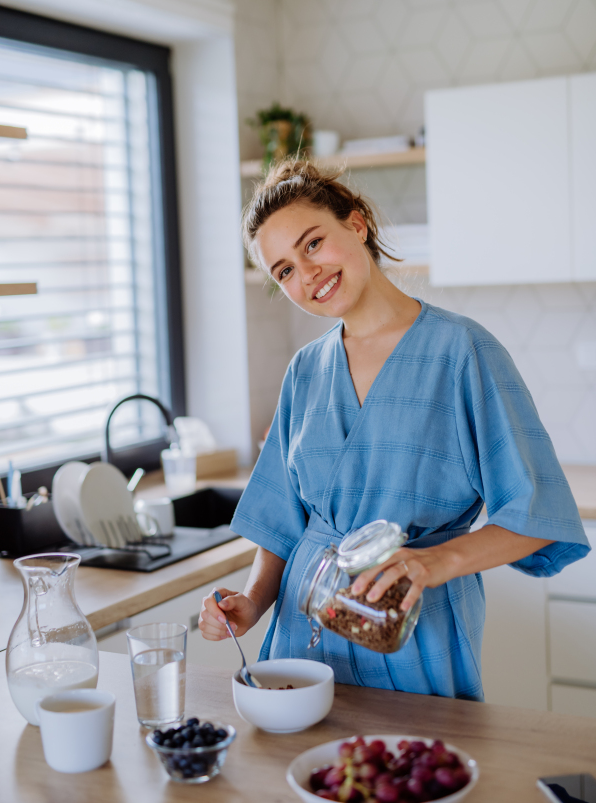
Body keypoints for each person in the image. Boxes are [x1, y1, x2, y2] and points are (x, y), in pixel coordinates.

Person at [198, 160, 589, 701]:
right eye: (283, 271)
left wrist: (435, 562)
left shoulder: (463, 352)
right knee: (305, 775)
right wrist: (250, 602)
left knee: (414, 774)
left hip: (412, 625)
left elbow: (538, 516)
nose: (306, 274)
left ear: (356, 226)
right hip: (303, 633)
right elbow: (283, 524)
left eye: (312, 244)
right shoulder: (305, 371)